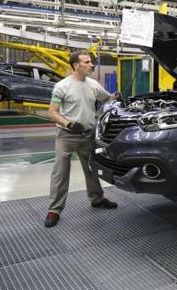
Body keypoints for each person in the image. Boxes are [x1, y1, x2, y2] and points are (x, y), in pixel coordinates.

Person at [44, 50, 118, 227]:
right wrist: (68, 124)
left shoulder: (93, 84)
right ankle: (54, 209)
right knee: (60, 172)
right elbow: (52, 113)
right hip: (66, 135)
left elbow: (107, 98)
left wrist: (116, 97)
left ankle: (97, 199)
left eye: (91, 62)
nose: (91, 64)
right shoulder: (62, 86)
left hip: (87, 135)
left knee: (91, 169)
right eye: (87, 62)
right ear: (76, 65)